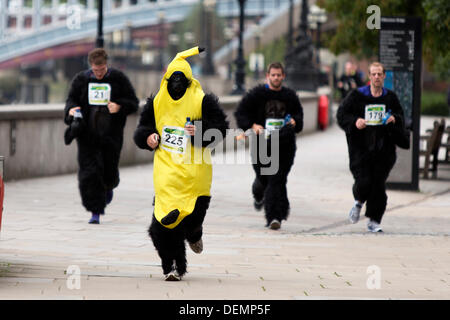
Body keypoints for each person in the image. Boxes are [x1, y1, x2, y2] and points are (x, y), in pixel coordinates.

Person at [133, 47, 228, 281]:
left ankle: (195, 232)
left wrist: (201, 131)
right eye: (172, 79)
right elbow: (141, 130)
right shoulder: (156, 102)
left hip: (195, 177)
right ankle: (172, 267)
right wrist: (148, 137)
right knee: (160, 228)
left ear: (188, 81)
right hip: (167, 176)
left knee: (190, 220)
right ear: (166, 80)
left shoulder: (203, 101)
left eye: (181, 80)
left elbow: (221, 129)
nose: (176, 84)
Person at [64, 48, 139, 224]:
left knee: (108, 173)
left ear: (107, 65)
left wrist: (119, 107)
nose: (99, 73)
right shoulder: (81, 80)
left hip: (111, 137)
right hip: (86, 136)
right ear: (91, 66)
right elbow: (71, 100)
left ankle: (108, 187)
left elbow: (133, 103)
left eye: (102, 70)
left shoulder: (118, 79)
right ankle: (95, 212)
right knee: (89, 174)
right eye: (96, 70)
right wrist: (71, 110)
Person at [337, 62, 409, 233]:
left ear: (384, 76)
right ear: (369, 77)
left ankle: (374, 221)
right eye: (374, 74)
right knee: (364, 182)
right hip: (361, 149)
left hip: (384, 149)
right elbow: (341, 114)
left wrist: (394, 119)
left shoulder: (390, 97)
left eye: (379, 74)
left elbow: (400, 117)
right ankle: (358, 202)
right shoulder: (357, 95)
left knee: (378, 185)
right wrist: (356, 121)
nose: (377, 77)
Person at [234, 62, 303, 230]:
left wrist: (295, 120)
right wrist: (252, 125)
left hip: (285, 145)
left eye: (279, 75)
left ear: (283, 76)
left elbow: (299, 115)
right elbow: (241, 112)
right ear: (268, 76)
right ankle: (259, 195)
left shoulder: (290, 96)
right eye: (273, 75)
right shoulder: (257, 94)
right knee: (263, 181)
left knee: (277, 179)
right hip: (262, 145)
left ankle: (274, 216)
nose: (276, 78)